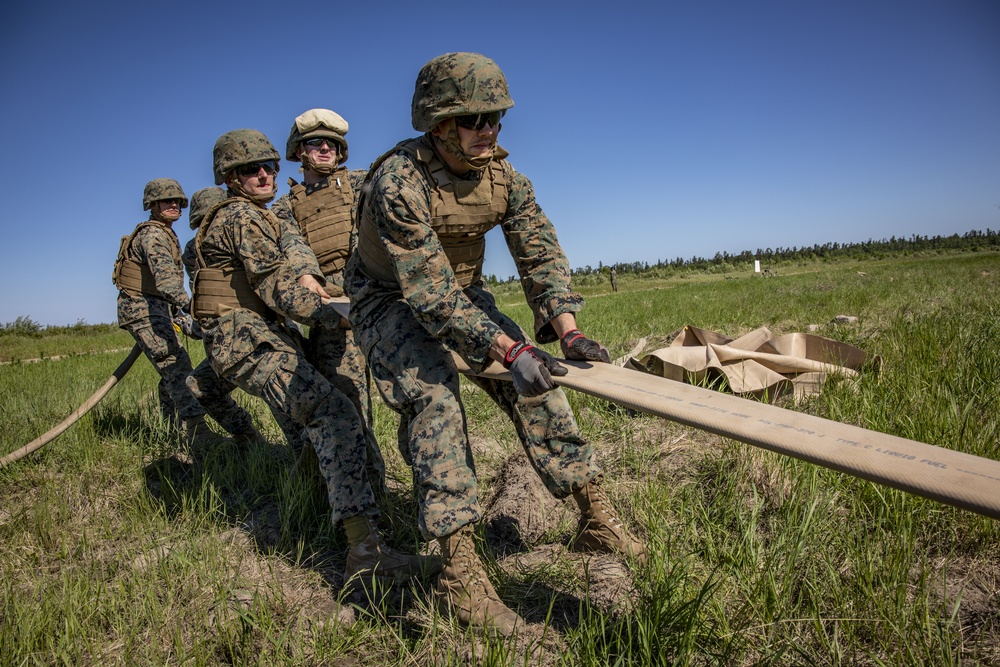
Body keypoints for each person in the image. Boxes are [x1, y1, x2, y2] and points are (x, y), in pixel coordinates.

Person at [345, 52, 646, 635]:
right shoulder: (398, 182)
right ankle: (459, 575)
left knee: (542, 387)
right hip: (390, 300)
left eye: (496, 119)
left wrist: (567, 330)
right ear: (438, 124)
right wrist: (506, 351)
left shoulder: (505, 178)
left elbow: (539, 253)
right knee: (434, 401)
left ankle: (593, 517)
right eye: (474, 119)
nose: (489, 131)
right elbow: (429, 298)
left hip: (462, 290)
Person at [192, 129, 431, 585]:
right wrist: (339, 314)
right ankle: (366, 554)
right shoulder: (243, 217)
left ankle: (324, 511)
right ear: (230, 177)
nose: (263, 175)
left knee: (318, 422)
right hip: (246, 339)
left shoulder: (264, 215)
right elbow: (275, 285)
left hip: (259, 335)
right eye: (250, 170)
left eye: (268, 167)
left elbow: (296, 258)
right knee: (334, 414)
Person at [271, 109, 384, 493]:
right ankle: (365, 493)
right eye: (316, 142)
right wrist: (309, 277)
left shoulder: (359, 183)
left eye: (332, 143)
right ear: (299, 151)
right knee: (348, 401)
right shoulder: (285, 206)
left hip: (373, 292)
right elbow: (292, 244)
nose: (325, 148)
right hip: (329, 307)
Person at [112, 178, 216, 447]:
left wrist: (179, 316)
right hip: (143, 310)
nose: (173, 205)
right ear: (152, 204)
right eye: (166, 201)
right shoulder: (155, 235)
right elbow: (168, 283)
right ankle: (197, 433)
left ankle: (170, 430)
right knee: (176, 367)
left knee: (170, 372)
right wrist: (195, 309)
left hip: (157, 308)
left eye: (178, 202)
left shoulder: (162, 232)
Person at [176, 187, 269, 448]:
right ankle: (250, 440)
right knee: (199, 385)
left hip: (265, 331)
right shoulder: (194, 252)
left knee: (283, 395)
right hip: (230, 337)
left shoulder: (248, 231)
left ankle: (305, 456)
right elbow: (205, 294)